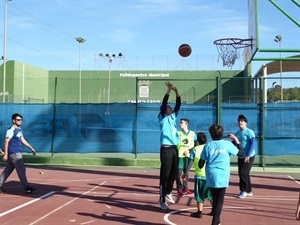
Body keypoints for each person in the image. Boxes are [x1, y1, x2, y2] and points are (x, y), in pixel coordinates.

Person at [198, 124, 244, 225]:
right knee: (219, 201)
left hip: (210, 175)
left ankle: (217, 221)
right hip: (222, 175)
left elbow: (200, 164)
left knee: (215, 198)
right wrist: (236, 140)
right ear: (222, 133)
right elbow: (241, 153)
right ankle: (214, 222)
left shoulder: (208, 145)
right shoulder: (227, 144)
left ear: (211, 134)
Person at [0, 113, 37, 194]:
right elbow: (6, 141)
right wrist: (5, 154)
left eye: (21, 120)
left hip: (15, 153)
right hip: (15, 153)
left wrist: (31, 148)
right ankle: (27, 187)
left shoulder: (19, 129)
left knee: (8, 170)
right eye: (18, 120)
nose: (20, 121)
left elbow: (22, 140)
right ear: (13, 120)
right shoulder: (10, 130)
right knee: (21, 169)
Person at [158, 81, 181, 210]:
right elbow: (164, 104)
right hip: (166, 149)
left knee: (174, 173)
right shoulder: (162, 117)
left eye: (171, 107)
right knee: (165, 174)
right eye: (168, 107)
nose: (170, 108)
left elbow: (178, 104)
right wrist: (169, 90)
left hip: (174, 148)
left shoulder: (173, 118)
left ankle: (168, 192)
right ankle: (161, 199)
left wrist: (176, 92)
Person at [182, 132, 213, 218]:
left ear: (198, 141)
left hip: (200, 176)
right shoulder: (209, 147)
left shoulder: (195, 149)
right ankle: (214, 210)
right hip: (210, 176)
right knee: (211, 195)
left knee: (199, 194)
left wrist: (185, 174)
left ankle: (199, 212)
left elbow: (190, 163)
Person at [233, 114, 256, 199]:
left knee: (242, 173)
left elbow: (253, 144)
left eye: (242, 121)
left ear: (245, 122)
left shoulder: (249, 132)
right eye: (239, 121)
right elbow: (233, 144)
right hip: (241, 156)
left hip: (249, 156)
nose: (240, 122)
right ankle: (249, 190)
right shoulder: (237, 133)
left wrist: (248, 155)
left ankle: (243, 191)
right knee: (244, 173)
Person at [176, 118, 197, 197]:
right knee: (178, 174)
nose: (180, 124)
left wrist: (189, 150)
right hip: (180, 156)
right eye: (180, 122)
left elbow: (196, 144)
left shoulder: (192, 134)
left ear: (186, 124)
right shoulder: (178, 133)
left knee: (186, 173)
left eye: (181, 123)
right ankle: (179, 189)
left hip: (188, 156)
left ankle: (185, 188)